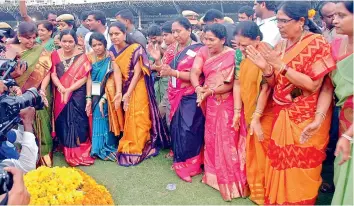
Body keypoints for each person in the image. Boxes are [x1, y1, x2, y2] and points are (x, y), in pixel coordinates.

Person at [246, 1, 335, 204]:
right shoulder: (280, 45)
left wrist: (280, 65)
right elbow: (275, 83)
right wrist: (267, 70)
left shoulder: (317, 43)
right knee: (281, 164)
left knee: (302, 169)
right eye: (278, 20)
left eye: (284, 21)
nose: (279, 25)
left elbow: (313, 85)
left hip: (307, 115)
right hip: (282, 112)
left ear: (301, 21)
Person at [191, 23, 248, 201]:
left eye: (212, 40)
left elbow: (231, 84)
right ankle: (213, 176)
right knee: (212, 137)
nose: (207, 43)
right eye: (205, 39)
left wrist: (209, 91)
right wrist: (198, 88)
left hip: (227, 102)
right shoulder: (202, 52)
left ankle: (230, 180)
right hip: (209, 101)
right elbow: (195, 71)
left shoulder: (233, 55)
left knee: (227, 138)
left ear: (223, 40)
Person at [108, 22, 169, 166]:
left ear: (124, 33)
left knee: (138, 114)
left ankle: (141, 143)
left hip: (138, 85)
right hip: (124, 85)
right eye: (111, 34)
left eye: (117, 34)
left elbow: (138, 73)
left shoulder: (135, 48)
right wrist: (118, 92)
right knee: (128, 114)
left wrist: (128, 94)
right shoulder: (112, 49)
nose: (114, 37)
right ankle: (133, 139)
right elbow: (116, 71)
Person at [157, 17, 204, 182]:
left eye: (179, 31)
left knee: (188, 129)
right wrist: (158, 61)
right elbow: (164, 69)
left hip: (190, 93)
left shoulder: (199, 50)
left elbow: (197, 75)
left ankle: (191, 164)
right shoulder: (171, 48)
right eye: (173, 31)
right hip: (172, 92)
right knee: (175, 126)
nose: (175, 35)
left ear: (189, 30)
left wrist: (173, 73)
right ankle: (179, 158)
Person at [232, 21, 273, 205]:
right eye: (238, 45)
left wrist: (256, 117)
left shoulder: (266, 55)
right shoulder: (246, 57)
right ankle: (256, 191)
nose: (240, 49)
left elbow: (266, 88)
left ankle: (268, 193)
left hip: (266, 113)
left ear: (257, 39)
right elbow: (240, 83)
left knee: (265, 152)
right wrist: (237, 111)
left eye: (244, 45)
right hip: (251, 112)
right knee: (254, 151)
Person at [5, 22, 53, 167]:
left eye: (34, 37)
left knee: (42, 124)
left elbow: (47, 71)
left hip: (38, 92)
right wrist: (16, 74)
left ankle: (44, 160)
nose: (32, 41)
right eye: (28, 38)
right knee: (21, 126)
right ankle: (24, 159)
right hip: (17, 93)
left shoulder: (40, 50)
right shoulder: (10, 50)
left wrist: (42, 90)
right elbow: (5, 77)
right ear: (19, 37)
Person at [51, 29, 95, 167]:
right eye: (64, 41)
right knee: (63, 118)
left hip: (77, 93)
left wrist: (69, 89)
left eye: (71, 41)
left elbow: (85, 77)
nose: (67, 44)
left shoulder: (83, 57)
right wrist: (61, 87)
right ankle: (65, 145)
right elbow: (53, 74)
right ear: (60, 42)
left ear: (76, 42)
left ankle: (80, 145)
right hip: (60, 91)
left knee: (79, 118)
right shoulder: (54, 55)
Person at [330, 1, 353, 205]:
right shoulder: (336, 43)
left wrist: (348, 134)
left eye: (342, 15)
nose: (334, 20)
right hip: (343, 115)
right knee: (343, 167)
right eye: (334, 15)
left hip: (350, 127)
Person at [86, 32, 122, 161]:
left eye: (99, 44)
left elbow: (112, 80)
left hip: (108, 92)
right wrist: (88, 98)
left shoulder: (111, 58)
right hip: (94, 90)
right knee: (97, 115)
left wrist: (104, 97)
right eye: (94, 45)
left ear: (105, 44)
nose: (97, 48)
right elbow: (88, 78)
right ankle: (98, 148)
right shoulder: (89, 57)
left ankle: (108, 145)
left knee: (105, 116)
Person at [0, 107, 38, 173]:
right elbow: (27, 168)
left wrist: (22, 120)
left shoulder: (3, 132)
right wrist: (27, 123)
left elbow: (20, 136)